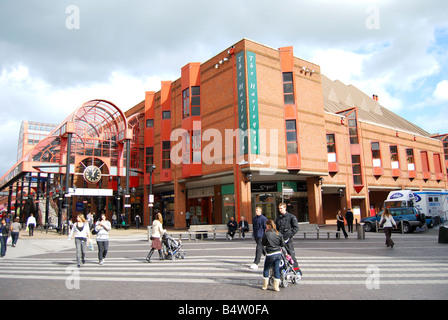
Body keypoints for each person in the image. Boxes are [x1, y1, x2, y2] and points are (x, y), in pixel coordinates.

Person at [261, 219, 285, 292]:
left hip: (270, 254)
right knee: (276, 270)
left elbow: (263, 243)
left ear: (268, 226)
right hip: (278, 253)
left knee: (266, 269)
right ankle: (276, 287)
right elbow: (282, 244)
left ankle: (265, 286)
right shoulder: (278, 233)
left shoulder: (266, 233)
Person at [275, 203, 299, 269]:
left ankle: (296, 270)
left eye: (281, 208)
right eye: (279, 208)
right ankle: (284, 269)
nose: (280, 210)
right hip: (280, 240)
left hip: (288, 240)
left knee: (291, 255)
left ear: (285, 208)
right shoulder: (278, 218)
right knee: (281, 256)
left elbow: (296, 228)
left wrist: (289, 235)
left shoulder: (291, 217)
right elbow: (276, 228)